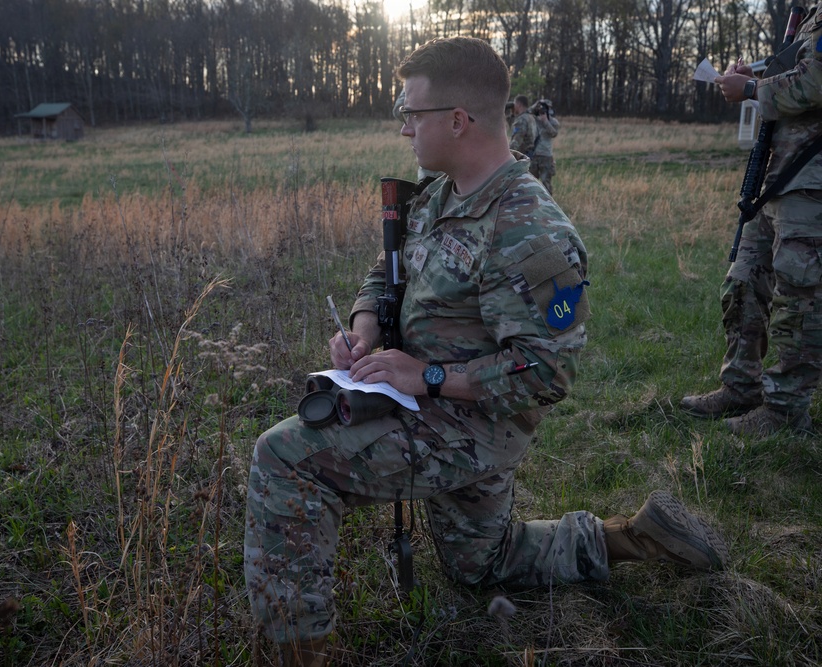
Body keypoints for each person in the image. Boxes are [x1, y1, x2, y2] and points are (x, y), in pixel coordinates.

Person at [245, 37, 728, 667]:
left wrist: (429, 376)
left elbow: (547, 372)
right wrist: (364, 329)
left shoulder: (530, 229)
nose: (403, 130)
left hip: (473, 423)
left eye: (411, 115)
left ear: (456, 120)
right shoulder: (440, 195)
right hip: (421, 398)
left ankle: (296, 654)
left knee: (285, 456)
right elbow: (384, 273)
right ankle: (630, 540)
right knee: (482, 568)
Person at [681, 7, 822, 437]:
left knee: (798, 299)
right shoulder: (808, 13)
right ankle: (741, 385)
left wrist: (749, 88)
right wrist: (757, 75)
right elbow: (800, 68)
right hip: (779, 174)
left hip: (811, 178)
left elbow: (815, 82)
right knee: (743, 281)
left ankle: (784, 412)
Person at [529, 98, 560, 193]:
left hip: (546, 155)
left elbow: (554, 133)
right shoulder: (533, 119)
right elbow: (526, 112)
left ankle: (548, 204)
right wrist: (536, 105)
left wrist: (545, 121)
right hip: (533, 154)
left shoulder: (553, 122)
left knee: (546, 183)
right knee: (530, 181)